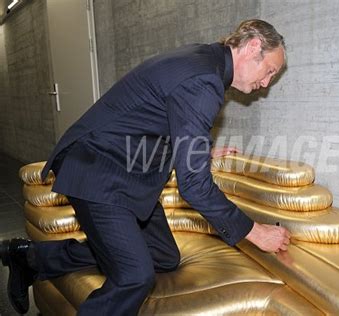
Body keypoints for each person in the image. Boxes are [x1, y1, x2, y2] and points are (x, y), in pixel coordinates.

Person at [0, 19, 290, 315]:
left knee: (163, 257)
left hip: (126, 170)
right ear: (254, 46)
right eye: (269, 72)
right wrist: (255, 232)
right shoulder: (205, 80)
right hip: (98, 169)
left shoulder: (205, 61)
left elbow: (160, 116)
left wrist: (201, 151)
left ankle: (31, 258)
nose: (265, 84)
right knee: (134, 277)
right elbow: (195, 187)